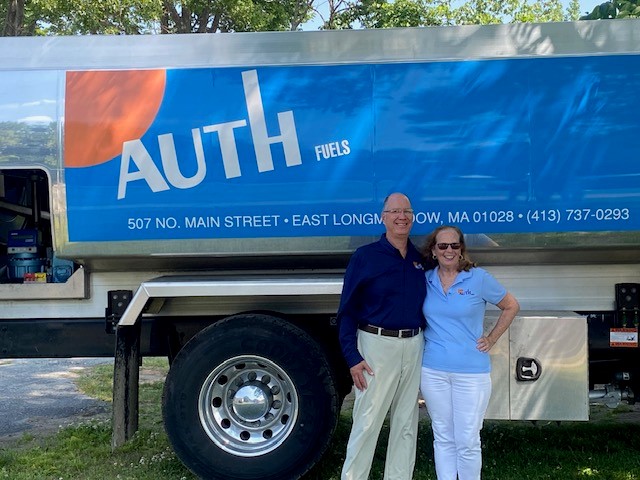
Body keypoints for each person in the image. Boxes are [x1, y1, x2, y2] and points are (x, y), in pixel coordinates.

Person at [338, 192, 427, 480]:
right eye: (395, 211)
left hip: (413, 344)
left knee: (406, 423)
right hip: (376, 345)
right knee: (367, 421)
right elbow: (347, 311)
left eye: (407, 211)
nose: (402, 216)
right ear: (383, 218)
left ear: (412, 217)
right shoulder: (365, 257)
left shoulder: (419, 259)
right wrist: (353, 357)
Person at [420, 225, 520, 480]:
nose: (449, 250)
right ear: (434, 250)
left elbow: (511, 306)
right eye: (443, 246)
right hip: (433, 371)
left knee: (467, 439)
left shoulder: (478, 278)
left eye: (454, 245)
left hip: (471, 374)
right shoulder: (426, 280)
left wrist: (492, 338)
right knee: (442, 436)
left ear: (462, 249)